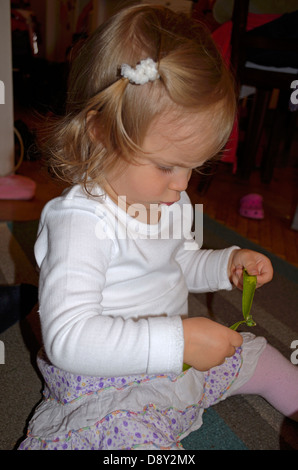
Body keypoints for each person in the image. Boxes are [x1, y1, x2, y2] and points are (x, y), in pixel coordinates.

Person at [19, 4, 298, 450]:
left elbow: (180, 261)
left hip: (175, 355)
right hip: (106, 377)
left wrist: (227, 264)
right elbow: (68, 337)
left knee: (258, 354)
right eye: (168, 165)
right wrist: (177, 341)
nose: (184, 184)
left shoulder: (169, 197)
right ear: (100, 132)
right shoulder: (81, 222)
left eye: (195, 166)